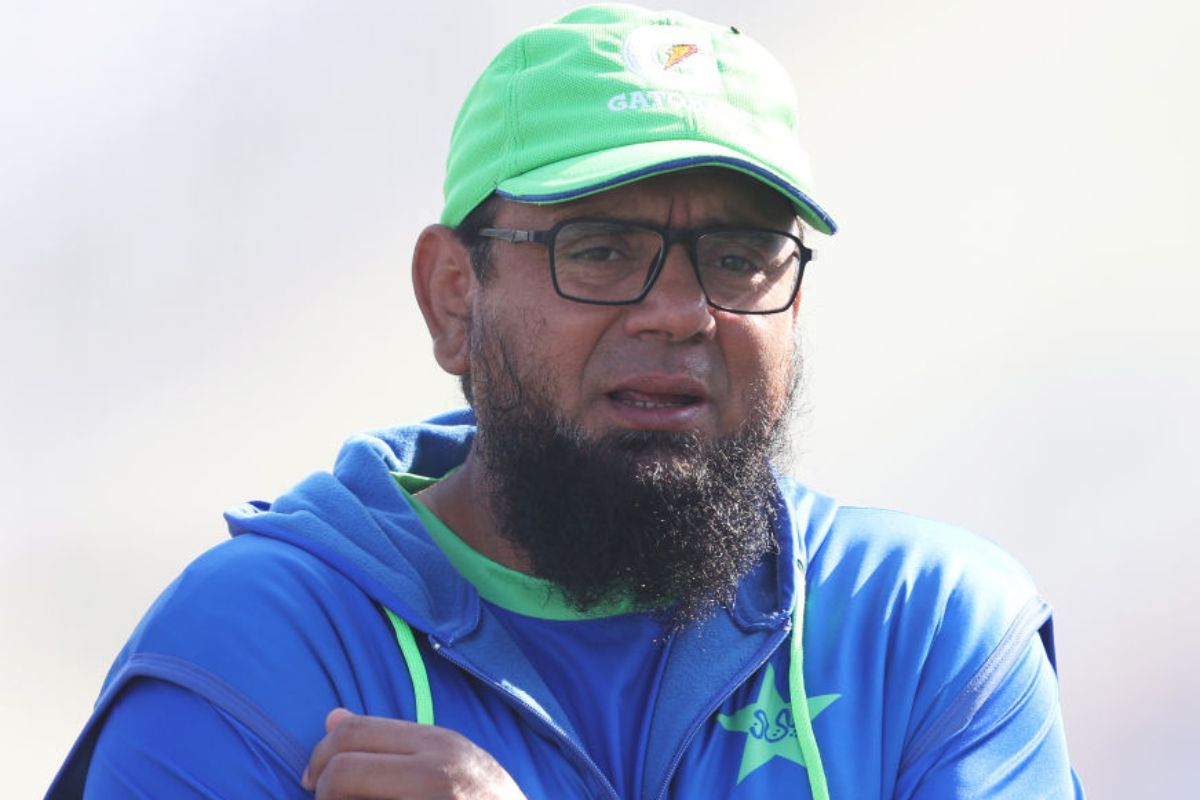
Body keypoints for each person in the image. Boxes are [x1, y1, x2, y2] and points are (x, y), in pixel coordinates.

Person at [48, 4, 1084, 798]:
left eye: (738, 256)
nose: (681, 312)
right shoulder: (258, 647)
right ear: (454, 297)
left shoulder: (930, 631)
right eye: (602, 249)